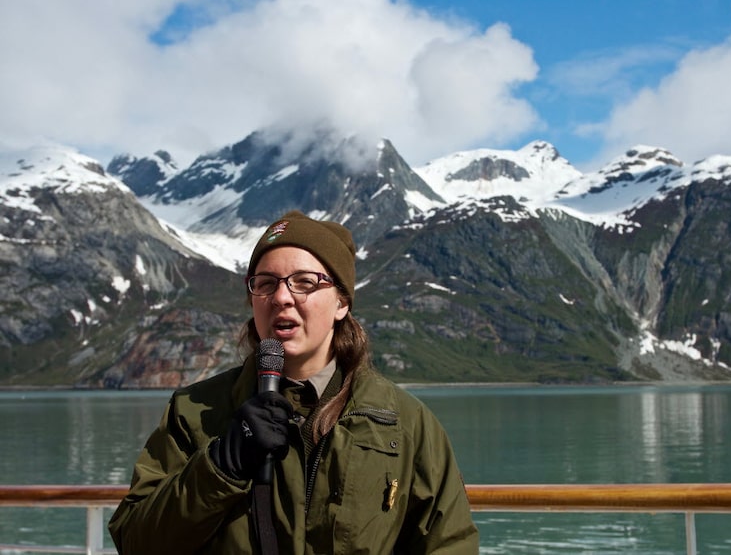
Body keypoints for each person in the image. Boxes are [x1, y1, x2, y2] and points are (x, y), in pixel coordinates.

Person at [108, 210, 479, 554]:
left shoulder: (406, 422)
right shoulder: (194, 412)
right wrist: (222, 465)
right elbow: (135, 540)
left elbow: (449, 543)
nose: (282, 297)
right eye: (266, 284)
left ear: (341, 303)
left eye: (304, 282)